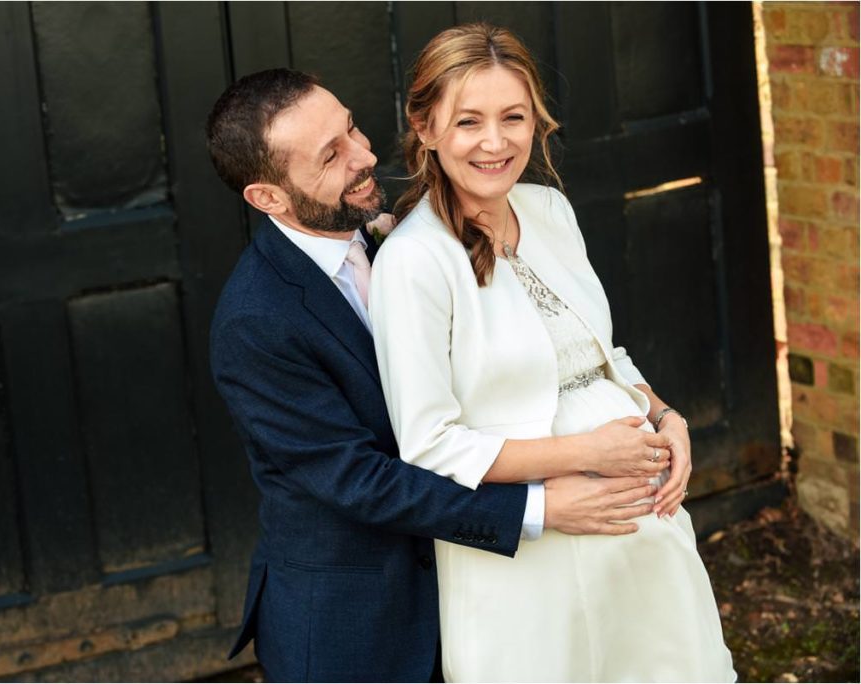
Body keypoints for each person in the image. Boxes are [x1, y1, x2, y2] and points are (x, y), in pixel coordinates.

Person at [205, 68, 670, 682]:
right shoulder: (255, 320)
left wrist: (658, 414)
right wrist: (537, 508)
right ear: (268, 197)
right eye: (331, 156)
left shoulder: (395, 231)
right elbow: (360, 480)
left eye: (351, 130)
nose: (365, 156)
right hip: (358, 621)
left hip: (477, 591)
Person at [370, 23, 736, 682]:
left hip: (637, 528)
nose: (495, 141)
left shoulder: (548, 210)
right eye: (468, 121)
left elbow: (601, 352)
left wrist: (664, 417)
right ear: (424, 129)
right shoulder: (414, 261)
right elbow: (429, 445)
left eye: (513, 117)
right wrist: (584, 456)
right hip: (531, 556)